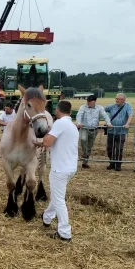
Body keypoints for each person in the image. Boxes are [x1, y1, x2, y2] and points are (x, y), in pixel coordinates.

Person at [34, 100, 78, 242]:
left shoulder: (60, 123)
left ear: (58, 110)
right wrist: (39, 142)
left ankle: (65, 232)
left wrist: (44, 136)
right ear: (70, 111)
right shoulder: (71, 125)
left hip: (60, 168)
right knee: (56, 194)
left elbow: (47, 142)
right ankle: (47, 217)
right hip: (70, 168)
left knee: (59, 200)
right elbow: (55, 142)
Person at [75, 95, 112, 168]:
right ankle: (85, 153)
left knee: (89, 146)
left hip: (94, 130)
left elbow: (105, 115)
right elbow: (79, 115)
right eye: (87, 101)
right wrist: (78, 123)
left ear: (94, 101)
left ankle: (85, 162)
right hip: (84, 128)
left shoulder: (100, 108)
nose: (88, 102)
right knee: (83, 139)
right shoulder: (83, 107)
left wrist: (108, 123)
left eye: (90, 101)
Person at [104, 93, 134, 171]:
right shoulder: (112, 106)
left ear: (123, 100)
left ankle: (118, 164)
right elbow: (102, 110)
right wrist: (107, 121)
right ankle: (112, 162)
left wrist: (127, 124)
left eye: (118, 99)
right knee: (110, 148)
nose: (116, 100)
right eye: (116, 98)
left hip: (121, 131)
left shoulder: (128, 106)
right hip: (111, 131)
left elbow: (131, 115)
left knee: (119, 148)